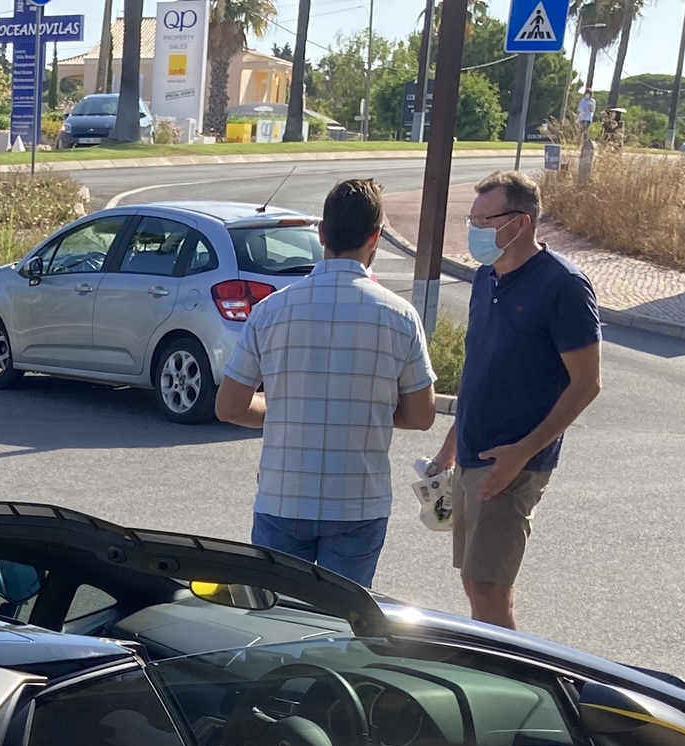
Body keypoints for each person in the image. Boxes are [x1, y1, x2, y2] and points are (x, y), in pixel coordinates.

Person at [214, 177, 439, 588]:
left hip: (283, 495)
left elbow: (229, 407)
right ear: (376, 237)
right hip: (358, 502)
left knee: (277, 620)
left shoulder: (270, 311)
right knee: (339, 627)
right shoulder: (401, 316)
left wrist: (284, 408)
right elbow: (422, 415)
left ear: (321, 234)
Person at [428, 170, 603, 630]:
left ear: (520, 223)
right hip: (471, 455)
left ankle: (509, 683)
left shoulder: (564, 285)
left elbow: (586, 384)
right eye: (471, 219)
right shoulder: (486, 278)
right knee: (473, 583)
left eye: (484, 220)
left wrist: (522, 453)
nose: (474, 230)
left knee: (489, 591)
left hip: (513, 463)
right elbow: (479, 370)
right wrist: (449, 448)